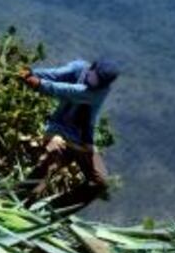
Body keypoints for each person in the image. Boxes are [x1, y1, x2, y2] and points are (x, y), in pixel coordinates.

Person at [17, 59, 120, 212]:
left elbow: (70, 91)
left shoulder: (99, 91)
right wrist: (31, 73)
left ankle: (55, 212)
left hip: (82, 139)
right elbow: (56, 75)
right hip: (59, 129)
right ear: (91, 68)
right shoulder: (78, 67)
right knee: (50, 162)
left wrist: (38, 84)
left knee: (100, 181)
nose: (96, 83)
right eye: (96, 78)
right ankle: (18, 200)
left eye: (101, 82)